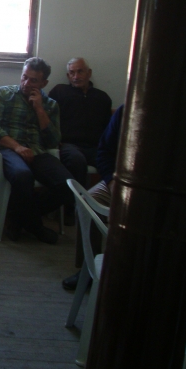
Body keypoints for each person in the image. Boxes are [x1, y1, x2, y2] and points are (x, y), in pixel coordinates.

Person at [0, 57, 72, 244]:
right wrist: (17, 146)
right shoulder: (4, 94)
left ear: (44, 83)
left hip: (38, 151)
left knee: (67, 185)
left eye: (33, 80)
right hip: (7, 149)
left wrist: (39, 109)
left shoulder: (51, 105)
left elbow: (53, 141)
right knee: (23, 176)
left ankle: (18, 218)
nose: (26, 83)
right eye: (24, 77)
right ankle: (36, 227)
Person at [62, 104, 123, 291]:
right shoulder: (126, 112)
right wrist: (112, 181)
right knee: (88, 201)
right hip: (119, 180)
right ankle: (89, 267)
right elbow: (104, 151)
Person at [48, 57, 112, 189]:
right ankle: (76, 206)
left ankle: (103, 203)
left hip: (95, 147)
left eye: (80, 71)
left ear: (89, 73)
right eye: (72, 73)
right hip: (68, 145)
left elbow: (108, 127)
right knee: (76, 160)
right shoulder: (59, 91)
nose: (76, 76)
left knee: (112, 161)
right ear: (68, 75)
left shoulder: (102, 97)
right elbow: (47, 116)